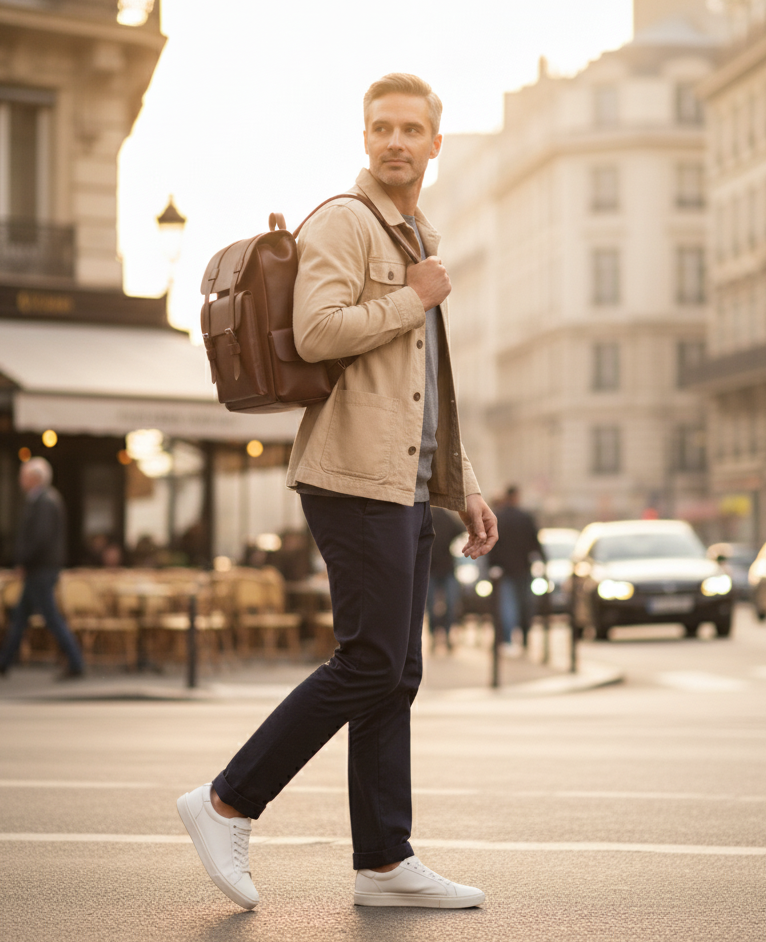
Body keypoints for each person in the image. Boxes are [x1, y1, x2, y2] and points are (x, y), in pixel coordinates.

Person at [176, 73, 498, 911]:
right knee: (370, 662)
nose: (396, 141)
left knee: (397, 673)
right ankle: (227, 801)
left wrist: (463, 486)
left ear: (435, 142)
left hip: (402, 484)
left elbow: (422, 388)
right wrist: (410, 299)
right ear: (365, 138)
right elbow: (317, 332)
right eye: (381, 127)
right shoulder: (347, 223)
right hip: (352, 477)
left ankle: (384, 864)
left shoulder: (415, 234)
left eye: (411, 129)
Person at [0, 457, 84, 680]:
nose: (20, 480)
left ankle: (76, 661)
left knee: (50, 617)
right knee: (21, 616)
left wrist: (24, 561)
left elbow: (40, 538)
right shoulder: (43, 500)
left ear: (35, 478)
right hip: (40, 568)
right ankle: (4, 661)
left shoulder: (45, 501)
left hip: (41, 569)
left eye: (24, 476)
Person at [487, 485, 543, 649]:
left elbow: (493, 545)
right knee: (525, 604)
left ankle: (508, 640)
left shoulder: (499, 517)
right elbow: (535, 542)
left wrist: (493, 565)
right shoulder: (525, 517)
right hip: (523, 568)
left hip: (504, 569)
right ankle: (524, 637)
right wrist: (541, 561)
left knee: (507, 606)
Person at [428, 507, 465, 650]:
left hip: (435, 567)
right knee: (448, 604)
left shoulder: (430, 517)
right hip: (442, 567)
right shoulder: (446, 517)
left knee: (435, 605)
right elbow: (460, 530)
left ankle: (438, 635)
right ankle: (441, 635)